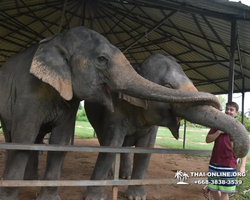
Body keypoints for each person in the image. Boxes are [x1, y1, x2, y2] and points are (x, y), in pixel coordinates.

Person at [205, 102, 247, 200]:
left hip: (229, 165)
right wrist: (219, 132)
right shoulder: (218, 125)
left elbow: (244, 148)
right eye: (227, 109)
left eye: (231, 110)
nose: (228, 111)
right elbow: (208, 140)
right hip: (214, 163)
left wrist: (242, 166)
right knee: (214, 189)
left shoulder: (239, 128)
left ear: (236, 113)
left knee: (224, 192)